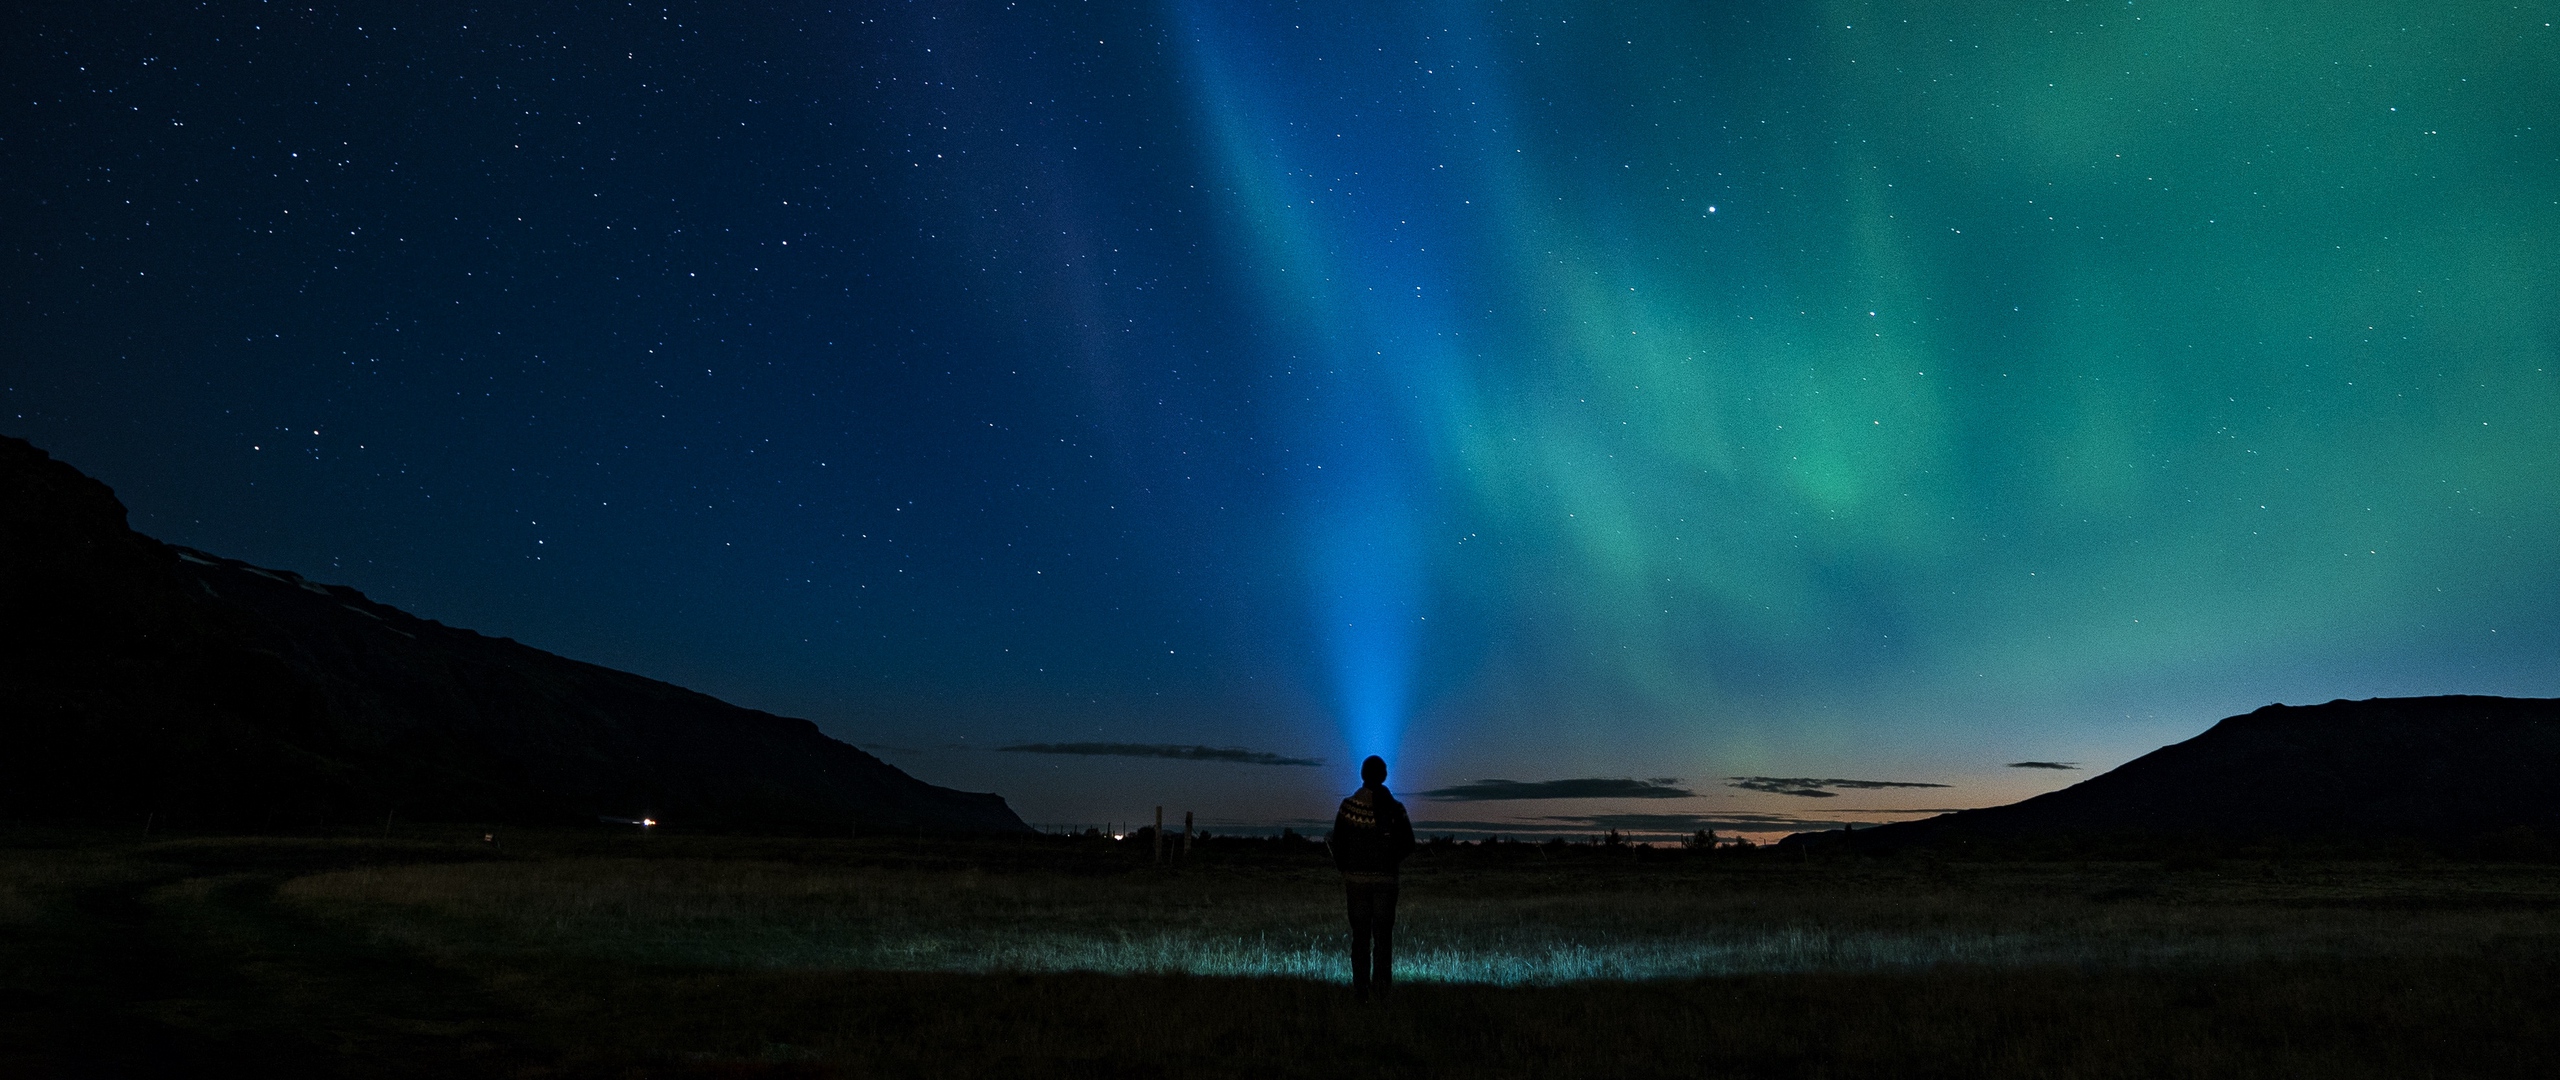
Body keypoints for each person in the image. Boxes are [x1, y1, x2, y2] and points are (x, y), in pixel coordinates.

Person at [1329, 754, 1417, 998]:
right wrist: (1388, 862)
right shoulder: (1396, 809)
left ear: (1362, 775)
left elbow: (1338, 844)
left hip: (1356, 883)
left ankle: (1361, 991)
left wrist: (1348, 869)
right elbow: (1409, 843)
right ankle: (1381, 991)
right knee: (1383, 939)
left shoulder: (1348, 808)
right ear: (1384, 776)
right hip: (1387, 883)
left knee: (1360, 937)